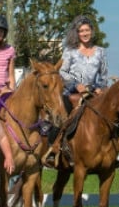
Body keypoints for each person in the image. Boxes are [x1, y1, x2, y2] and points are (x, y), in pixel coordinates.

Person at [42, 15, 110, 168]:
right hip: (70, 93)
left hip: (92, 94)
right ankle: (53, 149)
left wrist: (100, 87)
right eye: (81, 31)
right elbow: (62, 72)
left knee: (110, 118)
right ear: (77, 34)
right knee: (61, 118)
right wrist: (76, 84)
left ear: (92, 31)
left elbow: (104, 74)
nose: (85, 33)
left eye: (87, 30)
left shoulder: (100, 51)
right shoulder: (70, 51)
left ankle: (113, 153)